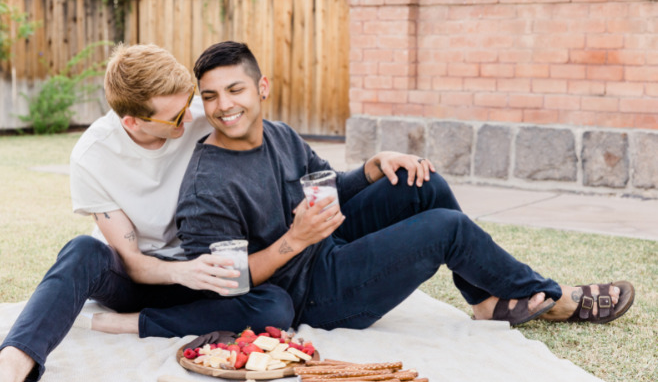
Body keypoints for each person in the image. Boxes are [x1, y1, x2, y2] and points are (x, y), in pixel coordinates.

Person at [176, 40, 635, 331]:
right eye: (211, 96)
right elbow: (224, 283)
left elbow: (327, 187)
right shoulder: (208, 183)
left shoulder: (280, 134)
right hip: (310, 295)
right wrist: (295, 240)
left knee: (420, 182)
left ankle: (484, 301)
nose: (223, 105)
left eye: (235, 89)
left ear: (262, 88)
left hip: (327, 245)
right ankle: (554, 298)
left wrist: (373, 167)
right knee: (447, 228)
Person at [0, 44, 293, 382]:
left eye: (188, 103)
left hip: (201, 271)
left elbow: (257, 140)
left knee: (275, 305)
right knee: (82, 250)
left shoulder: (199, 116)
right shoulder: (92, 156)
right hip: (139, 277)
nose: (190, 116)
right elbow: (132, 261)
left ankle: (130, 323)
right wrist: (183, 272)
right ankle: (12, 364)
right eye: (176, 116)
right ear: (133, 122)